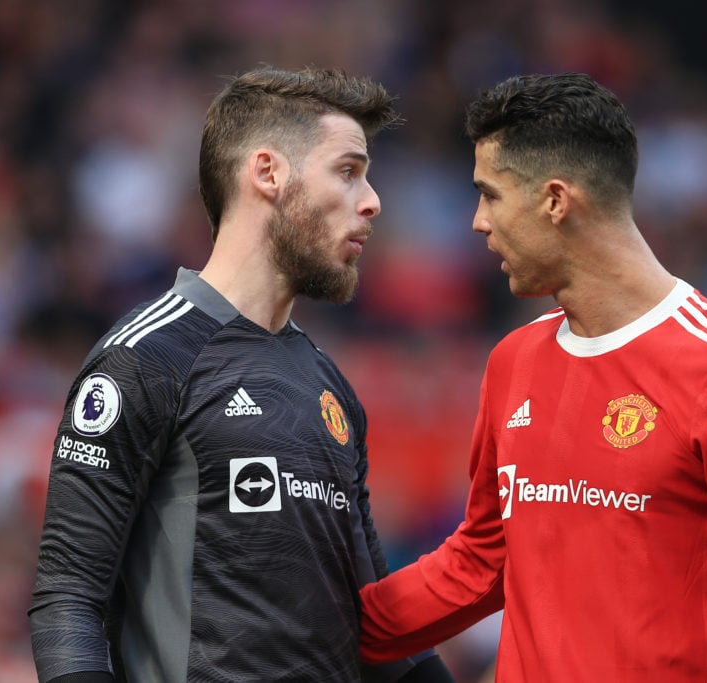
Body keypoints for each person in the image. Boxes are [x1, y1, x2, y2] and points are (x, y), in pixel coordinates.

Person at [359, 73, 707, 681]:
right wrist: (312, 622)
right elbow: (481, 564)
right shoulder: (513, 362)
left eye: (490, 195)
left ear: (556, 200)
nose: (477, 222)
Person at [29, 65, 455, 683]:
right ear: (268, 173)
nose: (372, 200)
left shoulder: (328, 385)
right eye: (348, 170)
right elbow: (67, 599)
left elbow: (376, 618)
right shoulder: (145, 359)